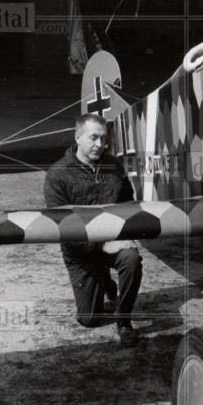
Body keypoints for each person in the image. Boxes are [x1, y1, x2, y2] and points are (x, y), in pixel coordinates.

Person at [44, 113, 143, 346]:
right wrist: (102, 245)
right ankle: (105, 281)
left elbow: (127, 206)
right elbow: (63, 227)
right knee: (88, 319)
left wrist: (124, 239)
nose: (100, 144)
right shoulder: (57, 174)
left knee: (131, 259)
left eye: (104, 139)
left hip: (112, 243)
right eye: (93, 138)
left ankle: (124, 321)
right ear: (77, 137)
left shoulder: (114, 166)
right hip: (80, 251)